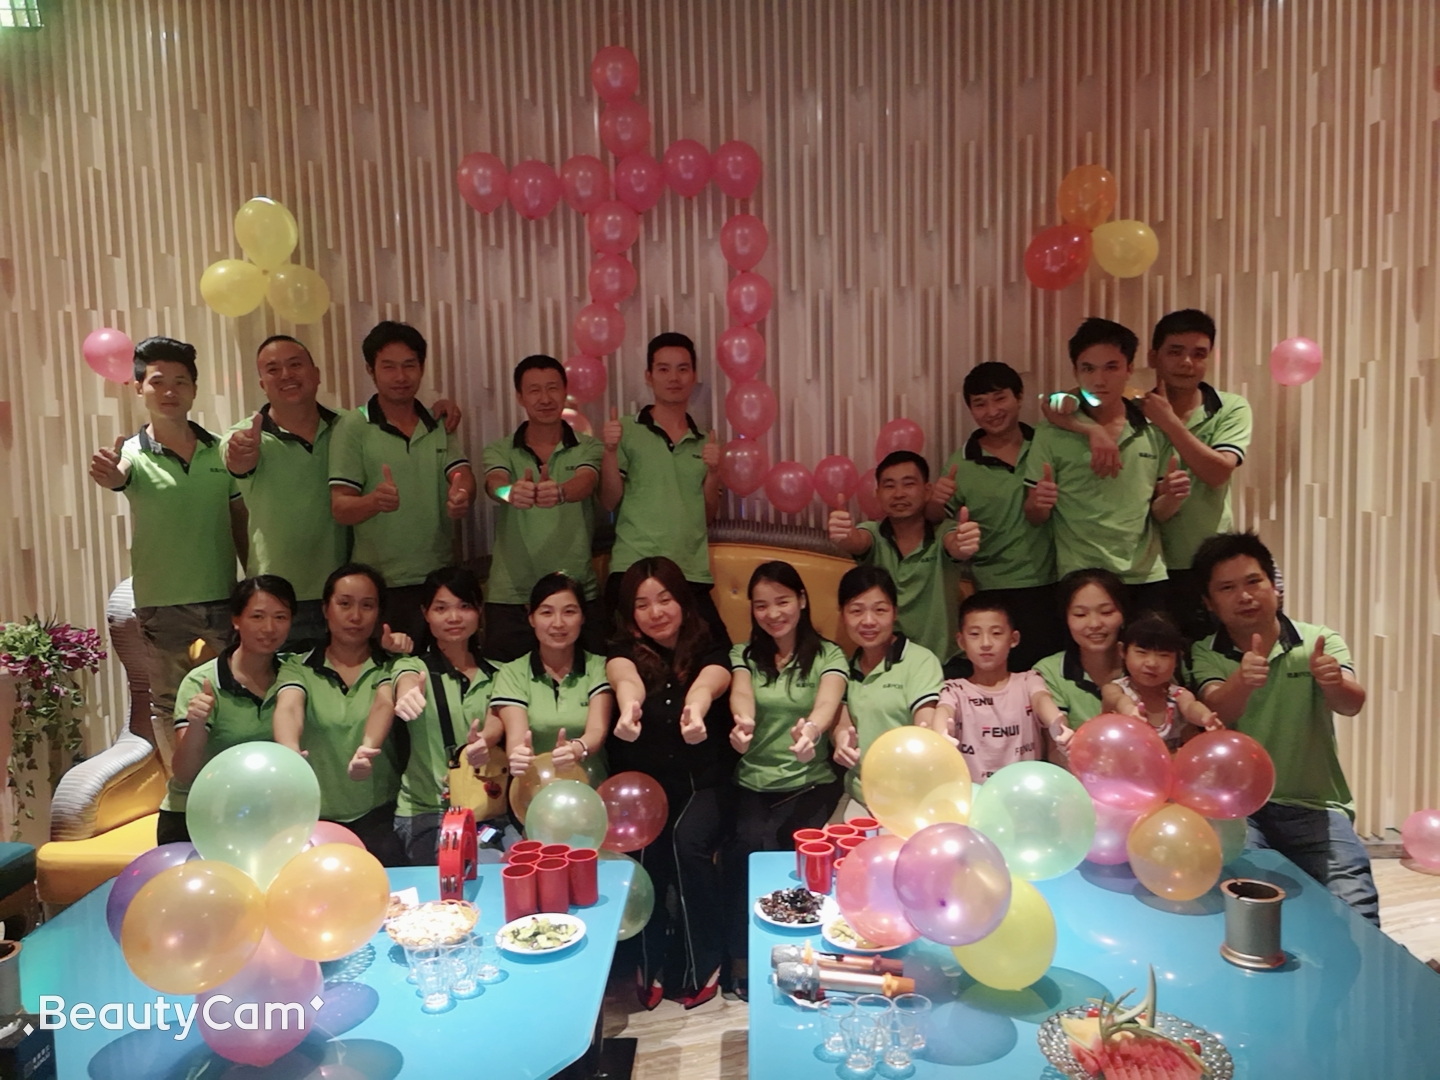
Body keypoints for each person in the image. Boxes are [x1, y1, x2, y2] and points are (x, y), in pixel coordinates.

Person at [1190, 532, 1378, 925]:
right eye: (1227, 588)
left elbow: (1352, 704)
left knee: (1357, 908)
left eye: (1253, 581)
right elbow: (1216, 709)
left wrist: (1333, 682)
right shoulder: (1205, 651)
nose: (1244, 596)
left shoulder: (1318, 641)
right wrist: (1243, 680)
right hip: (1241, 810)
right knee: (1252, 910)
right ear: (1209, 602)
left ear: (1274, 587)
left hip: (1315, 806)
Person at [1040, 311, 1253, 639]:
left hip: (1206, 557)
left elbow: (1217, 473)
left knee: (1203, 653)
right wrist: (1085, 424)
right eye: (1175, 351)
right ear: (1153, 357)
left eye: (1199, 354)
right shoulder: (1133, 405)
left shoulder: (1229, 407)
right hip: (1150, 565)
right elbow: (1061, 400)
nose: (1186, 362)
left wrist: (1169, 422)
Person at [87, 336, 244, 762]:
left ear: (194, 389)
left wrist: (251, 586)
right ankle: (182, 788)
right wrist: (110, 474)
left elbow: (239, 520)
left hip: (222, 597)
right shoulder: (131, 454)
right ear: (139, 387)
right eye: (158, 381)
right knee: (169, 703)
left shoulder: (220, 451)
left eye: (180, 381)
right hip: (162, 604)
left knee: (237, 693)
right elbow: (119, 475)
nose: (170, 391)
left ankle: (233, 778)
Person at [606, 557, 733, 1010]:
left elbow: (709, 683)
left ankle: (705, 962)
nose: (655, 612)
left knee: (686, 844)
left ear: (683, 601)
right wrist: (629, 708)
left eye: (665, 600)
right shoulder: (622, 651)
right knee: (643, 852)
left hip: (704, 785)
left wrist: (695, 709)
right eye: (642, 604)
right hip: (645, 793)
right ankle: (650, 962)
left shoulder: (710, 647)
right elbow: (625, 680)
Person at [724, 561, 848, 996]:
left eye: (782, 601)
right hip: (753, 782)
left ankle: (804, 961)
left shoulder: (829, 654)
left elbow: (828, 702)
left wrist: (812, 731)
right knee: (745, 855)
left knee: (794, 864)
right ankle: (745, 961)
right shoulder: (743, 655)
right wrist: (742, 722)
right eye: (761, 605)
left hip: (811, 781)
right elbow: (741, 692)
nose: (773, 613)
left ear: (802, 600)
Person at [1023, 317, 1191, 615]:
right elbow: (1034, 516)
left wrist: (1173, 497)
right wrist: (1039, 503)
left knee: (1152, 647)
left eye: (1111, 367)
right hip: (1081, 576)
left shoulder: (1152, 428)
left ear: (1129, 369)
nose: (1099, 380)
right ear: (1075, 371)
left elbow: (1158, 512)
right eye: (1088, 368)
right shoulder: (1051, 432)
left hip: (1145, 576)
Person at [329, 321, 476, 642]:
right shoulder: (353, 426)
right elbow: (340, 508)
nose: (400, 376)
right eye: (389, 367)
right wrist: (373, 501)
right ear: (370, 370)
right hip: (379, 584)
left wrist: (462, 492)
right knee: (388, 669)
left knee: (439, 668)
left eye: (409, 365)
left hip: (437, 579)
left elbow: (460, 472)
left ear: (422, 367)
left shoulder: (437, 422)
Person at [929, 362, 1062, 671]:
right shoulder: (961, 463)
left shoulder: (1045, 445)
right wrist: (935, 501)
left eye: (1000, 398)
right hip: (992, 590)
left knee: (1049, 679)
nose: (992, 411)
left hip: (1052, 583)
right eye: (980, 404)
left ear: (1019, 396)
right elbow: (936, 520)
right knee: (1003, 681)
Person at [369, 567, 506, 866]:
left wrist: (485, 740)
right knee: (469, 867)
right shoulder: (412, 666)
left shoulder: (499, 674)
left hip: (487, 811)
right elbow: (406, 680)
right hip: (427, 812)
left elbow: (500, 714)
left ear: (479, 611)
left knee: (508, 859)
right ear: (425, 614)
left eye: (464, 606)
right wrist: (408, 695)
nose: (454, 617)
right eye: (441, 608)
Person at [599, 333, 729, 646]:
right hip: (632, 568)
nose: (674, 377)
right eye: (663, 369)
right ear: (649, 376)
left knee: (719, 654)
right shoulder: (626, 430)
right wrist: (610, 451)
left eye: (683, 369)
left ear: (693, 376)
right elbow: (608, 500)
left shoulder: (705, 440)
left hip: (689, 571)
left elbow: (707, 515)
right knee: (626, 662)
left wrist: (714, 472)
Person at [273, 563, 406, 866]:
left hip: (381, 816)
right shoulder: (297, 666)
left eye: (367, 606)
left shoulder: (391, 664)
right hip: (313, 820)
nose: (355, 616)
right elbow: (289, 706)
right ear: (325, 609)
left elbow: (384, 703)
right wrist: (289, 750)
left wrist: (367, 750)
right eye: (344, 604)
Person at [224, 336, 348, 652]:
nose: (286, 375)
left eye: (295, 365)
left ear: (316, 374)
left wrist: (440, 410)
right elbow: (237, 460)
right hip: (275, 601)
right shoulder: (243, 435)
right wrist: (241, 452)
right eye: (273, 369)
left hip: (343, 596)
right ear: (262, 384)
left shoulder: (348, 427)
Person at [481, 356, 605, 660]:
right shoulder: (499, 449)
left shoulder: (589, 447)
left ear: (565, 392)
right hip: (511, 596)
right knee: (504, 684)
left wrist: (561, 492)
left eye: (552, 388)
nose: (545, 398)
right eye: (534, 390)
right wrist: (510, 492)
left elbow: (586, 481)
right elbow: (494, 483)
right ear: (520, 397)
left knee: (588, 683)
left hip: (576, 593)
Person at [157, 575, 296, 845]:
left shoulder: (295, 674)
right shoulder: (203, 682)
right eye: (257, 616)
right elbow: (184, 773)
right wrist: (197, 724)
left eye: (280, 617)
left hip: (263, 817)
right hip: (197, 816)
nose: (269, 628)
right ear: (236, 620)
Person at [828, 450, 981, 661]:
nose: (899, 494)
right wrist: (842, 534)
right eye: (889, 486)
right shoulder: (873, 533)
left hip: (943, 663)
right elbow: (856, 541)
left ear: (927, 491)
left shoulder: (944, 532)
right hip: (888, 663)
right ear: (877, 494)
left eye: (908, 484)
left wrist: (964, 544)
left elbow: (955, 545)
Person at [830, 566, 943, 816]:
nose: (868, 621)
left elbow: (926, 723)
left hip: (911, 799)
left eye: (880, 610)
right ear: (842, 615)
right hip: (859, 794)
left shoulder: (920, 661)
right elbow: (843, 724)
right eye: (856, 611)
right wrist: (841, 739)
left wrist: (930, 735)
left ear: (895, 612)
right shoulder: (846, 666)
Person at [490, 573, 613, 778]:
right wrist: (518, 755)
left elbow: (597, 731)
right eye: (546, 612)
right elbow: (517, 738)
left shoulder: (599, 666)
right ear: (531, 618)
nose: (558, 623)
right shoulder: (512, 672)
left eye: (569, 612)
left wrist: (577, 748)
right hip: (534, 789)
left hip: (592, 787)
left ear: (582, 617)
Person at [936, 594, 1069, 783]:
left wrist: (1057, 724)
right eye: (974, 634)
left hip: (1025, 792)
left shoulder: (1028, 681)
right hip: (973, 795)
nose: (986, 643)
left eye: (996, 633)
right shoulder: (954, 689)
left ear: (1013, 638)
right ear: (961, 641)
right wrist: (940, 734)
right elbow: (944, 710)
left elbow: (1042, 700)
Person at [1100, 610, 1223, 750]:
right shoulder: (1116, 689)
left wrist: (1205, 717)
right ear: (1123, 651)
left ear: (1177, 659)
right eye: (1142, 653)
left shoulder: (1178, 696)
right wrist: (1130, 711)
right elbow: (1119, 700)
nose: (1152, 663)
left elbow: (1190, 707)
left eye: (1163, 655)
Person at [1034, 568, 1129, 735]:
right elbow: (1055, 744)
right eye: (1080, 614)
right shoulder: (1049, 672)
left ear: (1124, 615)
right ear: (1066, 619)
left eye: (1106, 612)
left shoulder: (1145, 664)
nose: (1094, 624)